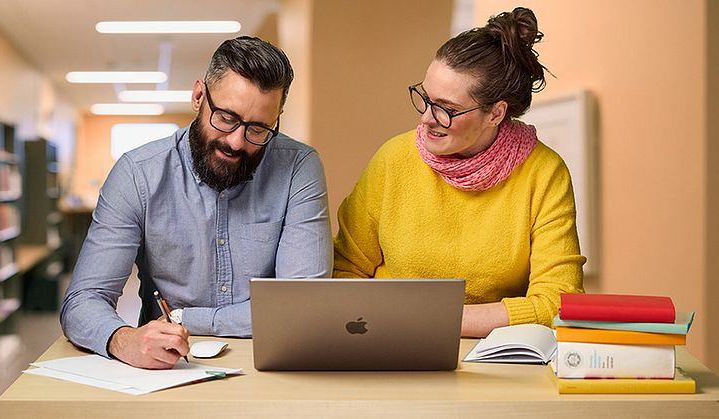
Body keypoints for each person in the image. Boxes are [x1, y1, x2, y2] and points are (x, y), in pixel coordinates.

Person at [61, 36, 333, 369]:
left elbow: (302, 307)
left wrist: (187, 318)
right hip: (168, 368)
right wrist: (123, 339)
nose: (236, 141)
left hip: (270, 364)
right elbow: (82, 301)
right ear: (199, 96)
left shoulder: (297, 168)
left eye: (258, 129)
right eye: (227, 118)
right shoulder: (138, 174)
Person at [333, 7, 585, 338]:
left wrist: (429, 319)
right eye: (425, 98)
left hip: (494, 362)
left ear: (496, 113)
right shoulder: (392, 159)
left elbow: (558, 302)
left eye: (447, 110)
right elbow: (344, 272)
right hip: (387, 345)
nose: (426, 118)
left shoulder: (544, 173)